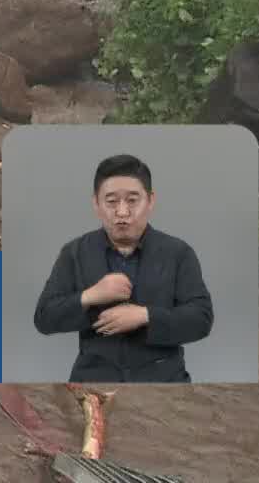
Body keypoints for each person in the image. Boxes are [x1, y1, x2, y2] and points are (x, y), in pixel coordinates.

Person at [32, 154, 214, 382]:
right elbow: (44, 318)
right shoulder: (74, 252)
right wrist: (90, 295)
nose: (122, 212)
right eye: (111, 201)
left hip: (164, 382)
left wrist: (145, 316)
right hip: (93, 380)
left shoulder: (178, 253)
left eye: (132, 200)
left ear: (150, 200)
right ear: (96, 204)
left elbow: (202, 319)